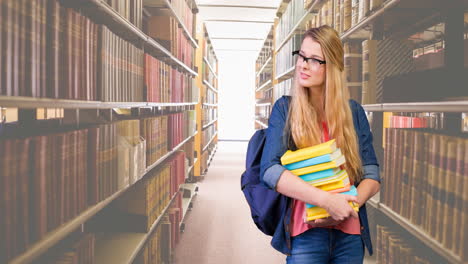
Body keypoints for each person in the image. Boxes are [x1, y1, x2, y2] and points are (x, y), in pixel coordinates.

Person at [259, 25, 381, 263]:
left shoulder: (354, 112)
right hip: (306, 232)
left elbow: (372, 173)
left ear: (333, 67)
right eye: (302, 56)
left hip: (350, 233)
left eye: (314, 60)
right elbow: (270, 171)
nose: (303, 65)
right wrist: (326, 202)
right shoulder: (285, 110)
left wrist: (346, 207)